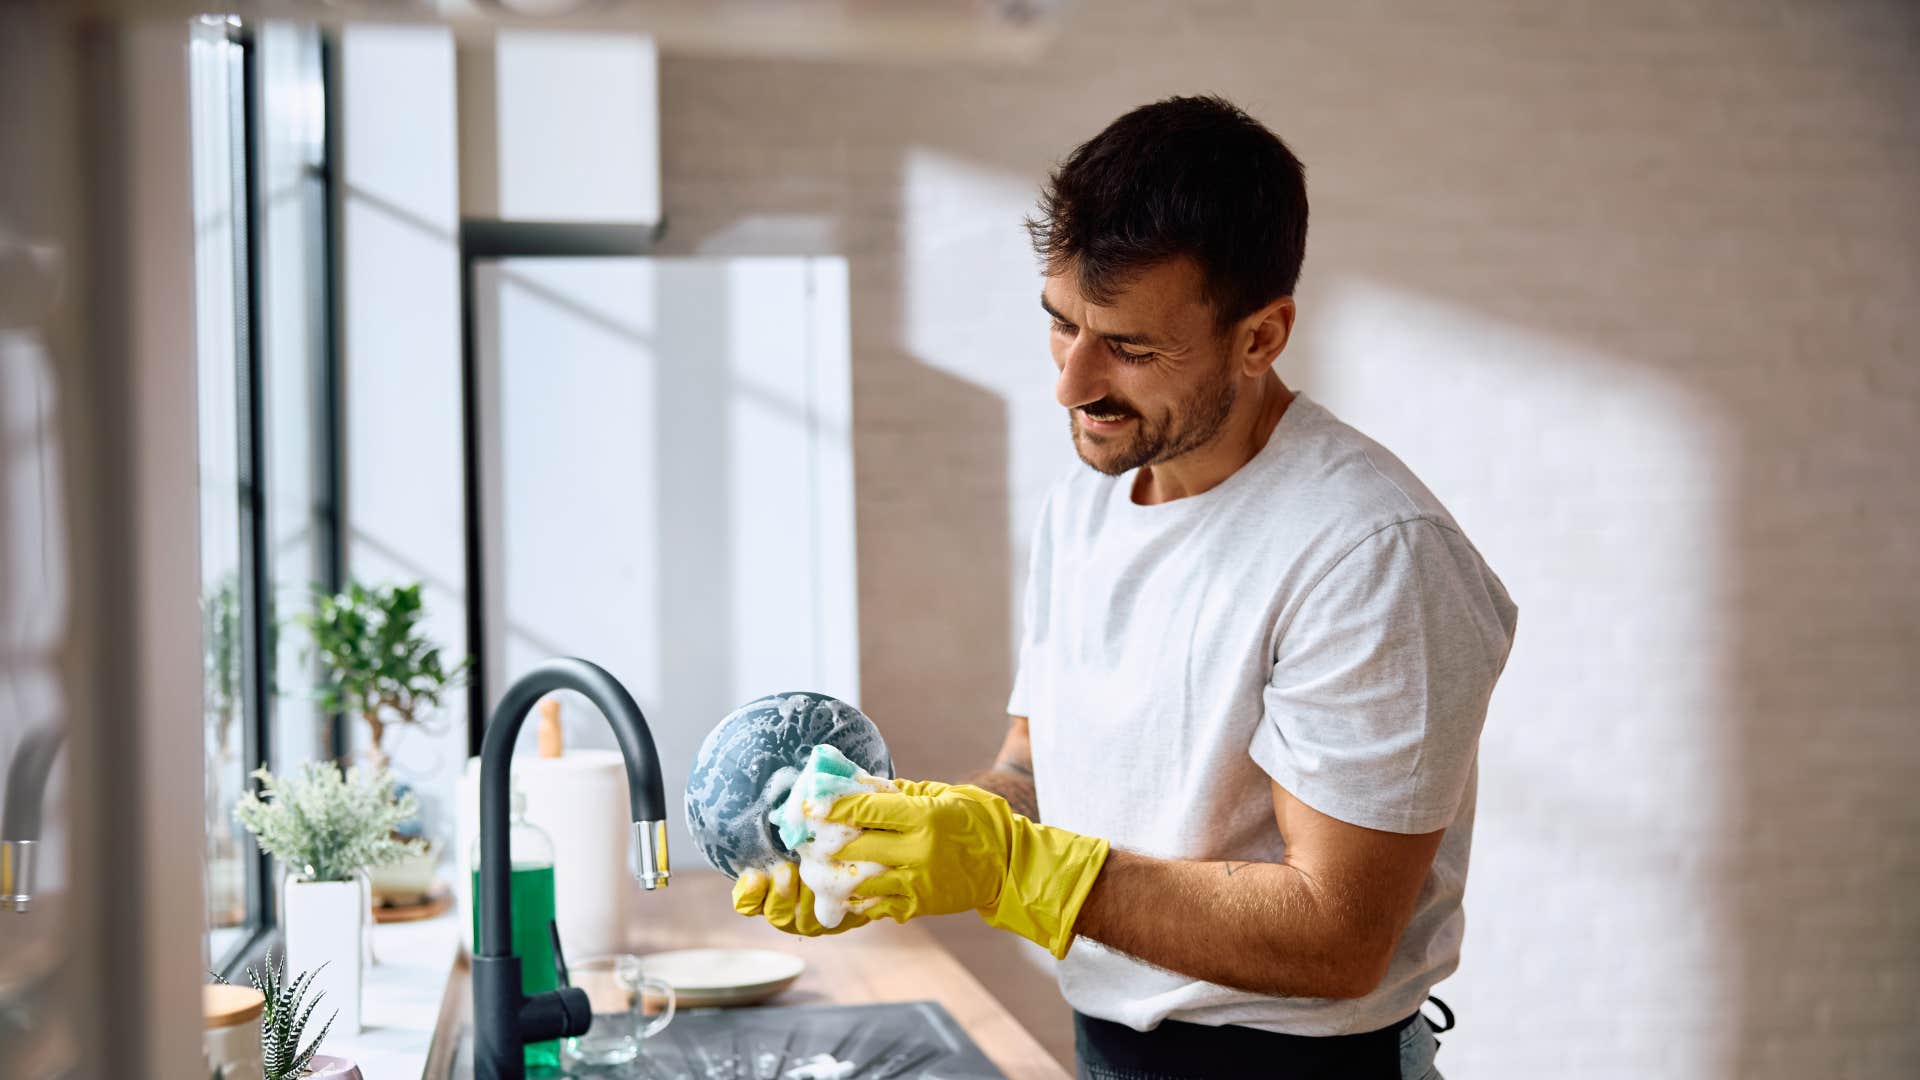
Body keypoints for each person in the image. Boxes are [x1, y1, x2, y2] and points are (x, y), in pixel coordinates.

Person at [732, 94, 1518, 1080]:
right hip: (1106, 1052)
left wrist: (1011, 870)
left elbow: (1337, 938)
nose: (1071, 383)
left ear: (1262, 336)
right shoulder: (1089, 505)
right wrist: (904, 834)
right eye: (1062, 326)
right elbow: (1030, 774)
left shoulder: (1368, 551)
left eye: (1130, 349)